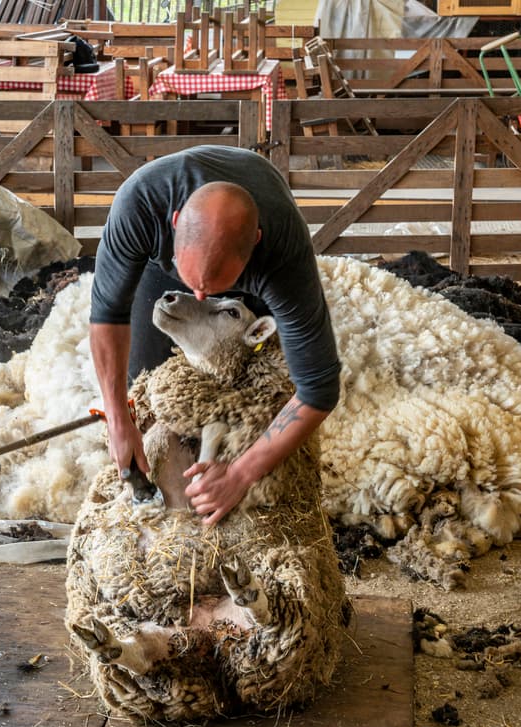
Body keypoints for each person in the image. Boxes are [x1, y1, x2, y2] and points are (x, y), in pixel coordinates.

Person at [89, 145, 341, 526]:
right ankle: (154, 484)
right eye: (196, 283)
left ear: (255, 241)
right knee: (144, 381)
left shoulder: (283, 252)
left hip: (244, 272)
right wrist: (117, 417)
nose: (202, 295)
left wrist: (241, 473)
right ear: (174, 221)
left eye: (216, 285)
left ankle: (246, 489)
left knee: (265, 387)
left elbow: (319, 388)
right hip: (166, 267)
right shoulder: (138, 206)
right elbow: (108, 315)